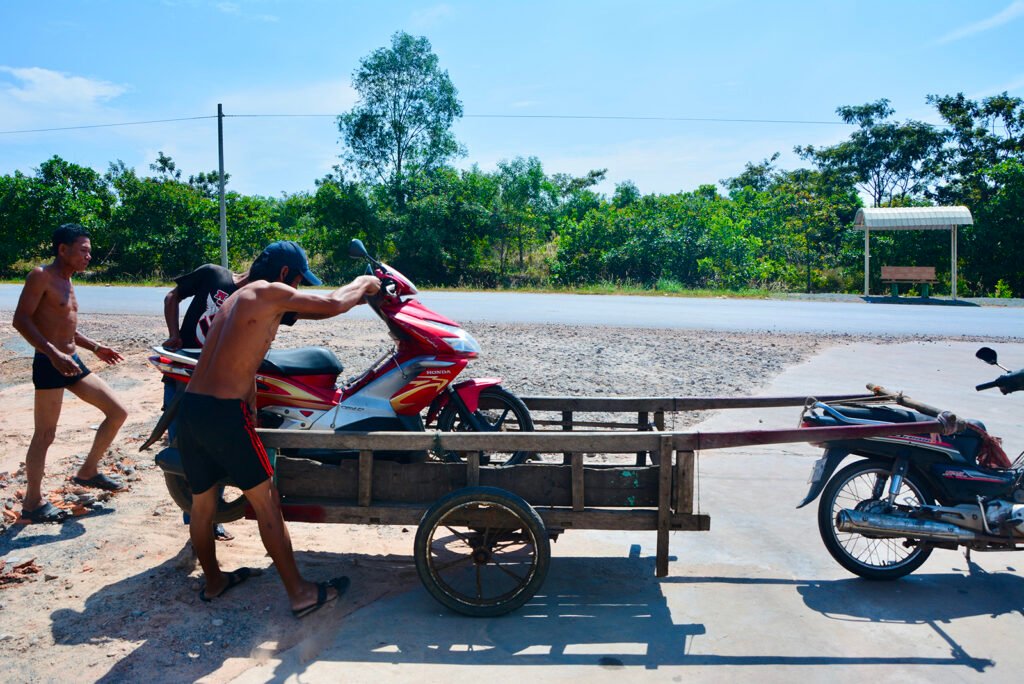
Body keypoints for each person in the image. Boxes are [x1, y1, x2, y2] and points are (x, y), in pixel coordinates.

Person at [179, 240, 379, 617]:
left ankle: (214, 582)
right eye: (299, 280)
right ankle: (301, 594)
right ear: (285, 273)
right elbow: (333, 303)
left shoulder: (234, 300)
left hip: (192, 408)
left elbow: (241, 361)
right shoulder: (269, 291)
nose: (298, 289)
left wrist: (253, 405)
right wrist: (364, 283)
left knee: (203, 504)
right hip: (223, 413)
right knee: (266, 501)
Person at [12, 224, 129, 523]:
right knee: (45, 434)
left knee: (117, 412)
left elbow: (64, 326)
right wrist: (53, 354)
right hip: (49, 363)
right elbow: (21, 320)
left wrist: (95, 347)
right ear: (63, 250)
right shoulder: (41, 276)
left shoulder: (68, 279)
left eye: (89, 251)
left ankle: (88, 471)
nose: (89, 256)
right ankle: (32, 503)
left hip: (71, 360)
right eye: (83, 250)